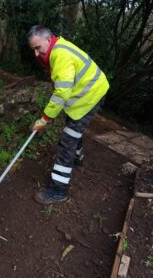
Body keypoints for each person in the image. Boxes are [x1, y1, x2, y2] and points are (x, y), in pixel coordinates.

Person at [28, 25, 109, 205]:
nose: (36, 54)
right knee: (72, 130)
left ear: (48, 40)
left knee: (67, 141)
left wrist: (44, 120)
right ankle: (77, 160)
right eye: (33, 50)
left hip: (90, 97)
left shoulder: (60, 55)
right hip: (87, 94)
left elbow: (61, 94)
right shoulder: (57, 48)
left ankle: (58, 191)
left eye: (37, 48)